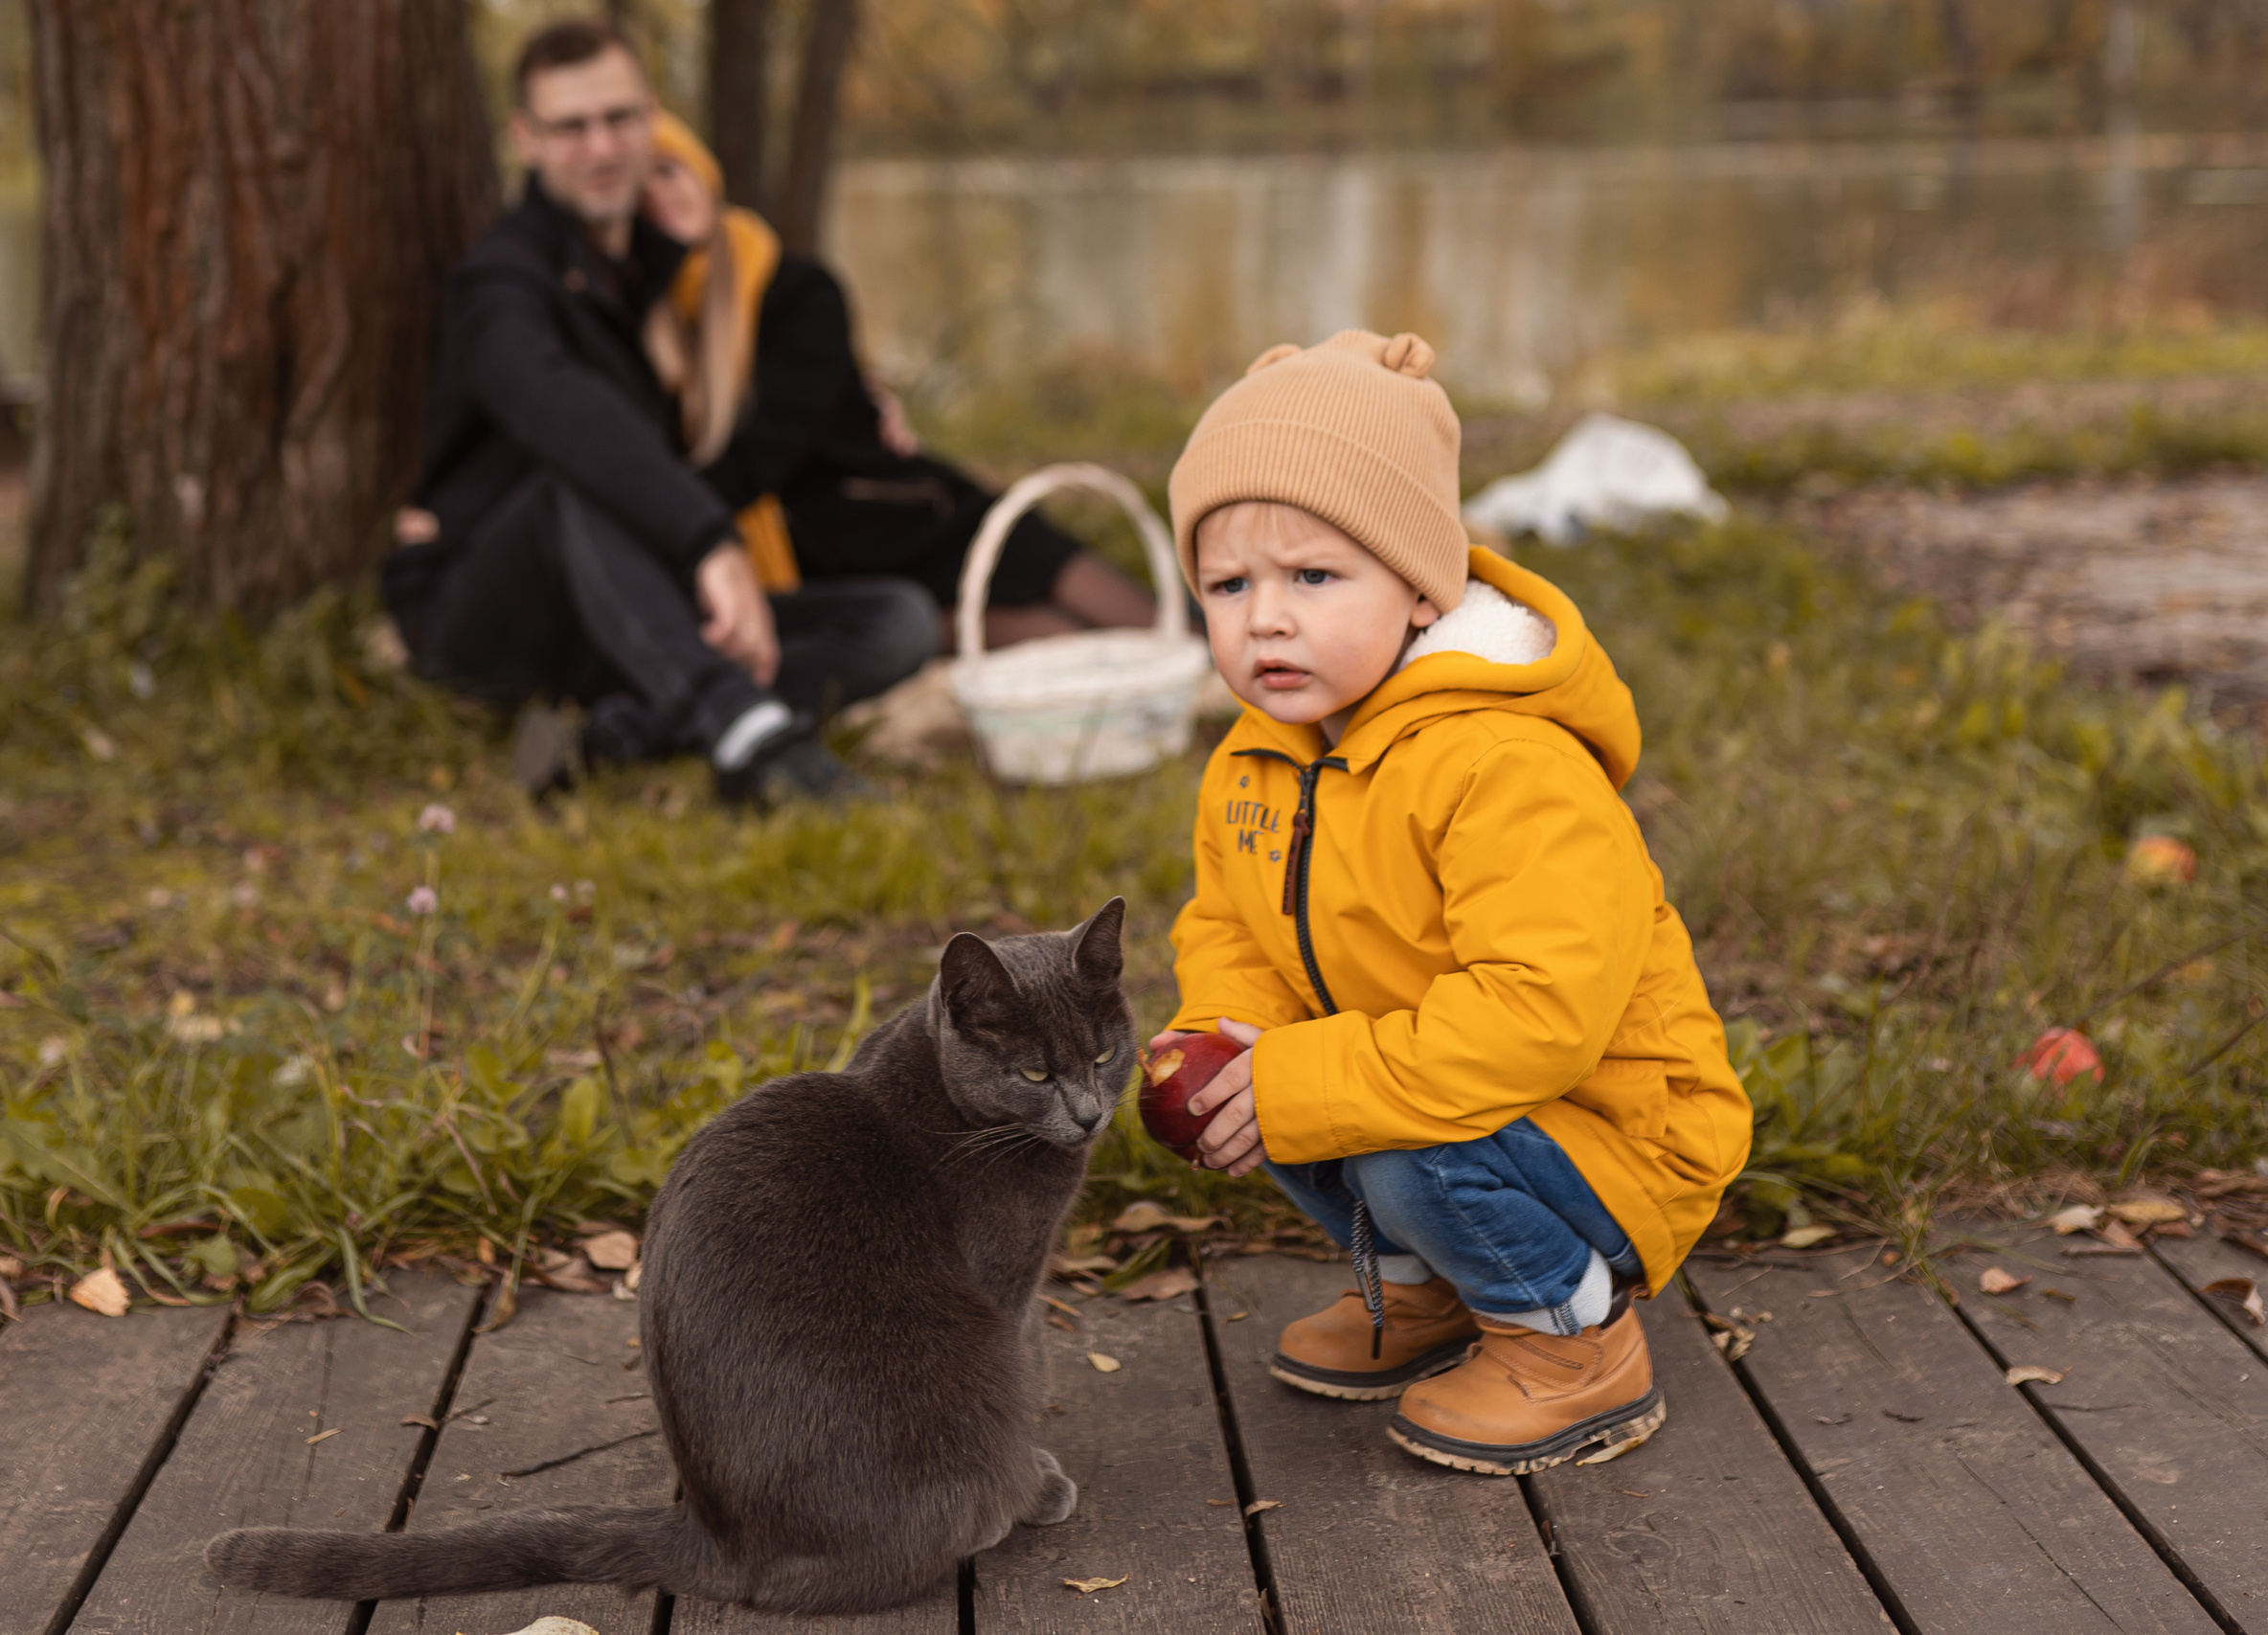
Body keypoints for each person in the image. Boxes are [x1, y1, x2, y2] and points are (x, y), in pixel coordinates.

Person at [1151, 330, 1751, 1475]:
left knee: (1378, 1137)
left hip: (1616, 1132)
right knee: (1270, 1085)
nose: (1264, 618)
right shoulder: (1256, 759)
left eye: (1312, 577)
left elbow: (1537, 1016)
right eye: (1228, 586)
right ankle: (1435, 1288)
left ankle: (1573, 1340)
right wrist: (1224, 1043)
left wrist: (1305, 1082)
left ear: (1421, 588)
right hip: (1453, 1091)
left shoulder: (1504, 764)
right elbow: (1232, 927)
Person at [381, 20, 936, 804]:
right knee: (573, 483)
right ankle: (749, 735)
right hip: (492, 614)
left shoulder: (655, 272)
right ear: (526, 140)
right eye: (571, 127)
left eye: (619, 119)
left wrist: (863, 406)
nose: (602, 147)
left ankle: (625, 733)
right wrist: (710, 541)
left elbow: (758, 375)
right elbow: (565, 413)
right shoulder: (501, 284)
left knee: (896, 620)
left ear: (651, 120)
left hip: (636, 603)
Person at [634, 112, 1160, 649]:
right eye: (638, 185)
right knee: (1039, 639)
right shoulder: (639, 319)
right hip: (825, 558)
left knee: (1105, 599)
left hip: (899, 507)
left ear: (703, 174)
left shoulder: (795, 291)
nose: (657, 196)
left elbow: (769, 447)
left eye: (668, 170)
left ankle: (1198, 654)